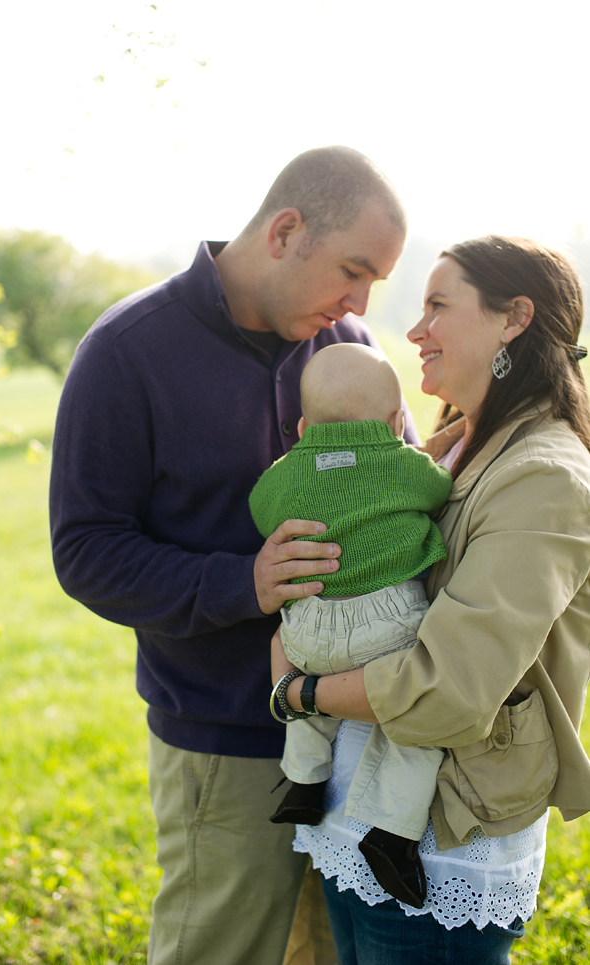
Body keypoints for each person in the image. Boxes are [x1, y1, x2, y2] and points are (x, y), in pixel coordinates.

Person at [49, 146, 413, 965]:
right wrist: (241, 582)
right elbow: (86, 549)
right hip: (227, 739)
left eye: (373, 284)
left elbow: (404, 484)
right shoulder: (126, 350)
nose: (359, 301)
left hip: (357, 732)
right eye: (353, 270)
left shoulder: (347, 341)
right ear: (286, 231)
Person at [271, 236, 590, 964]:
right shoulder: (449, 448)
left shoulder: (545, 474)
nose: (414, 331)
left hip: (443, 840)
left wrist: (298, 690)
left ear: (514, 318)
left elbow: (450, 689)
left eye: (437, 306)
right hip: (353, 813)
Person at [248, 343, 451, 908]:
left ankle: (305, 781)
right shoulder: (403, 464)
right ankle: (392, 835)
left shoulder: (284, 475)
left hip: (308, 623)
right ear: (394, 421)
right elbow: (440, 491)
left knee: (307, 688)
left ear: (305, 425)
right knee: (415, 723)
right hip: (387, 623)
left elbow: (262, 508)